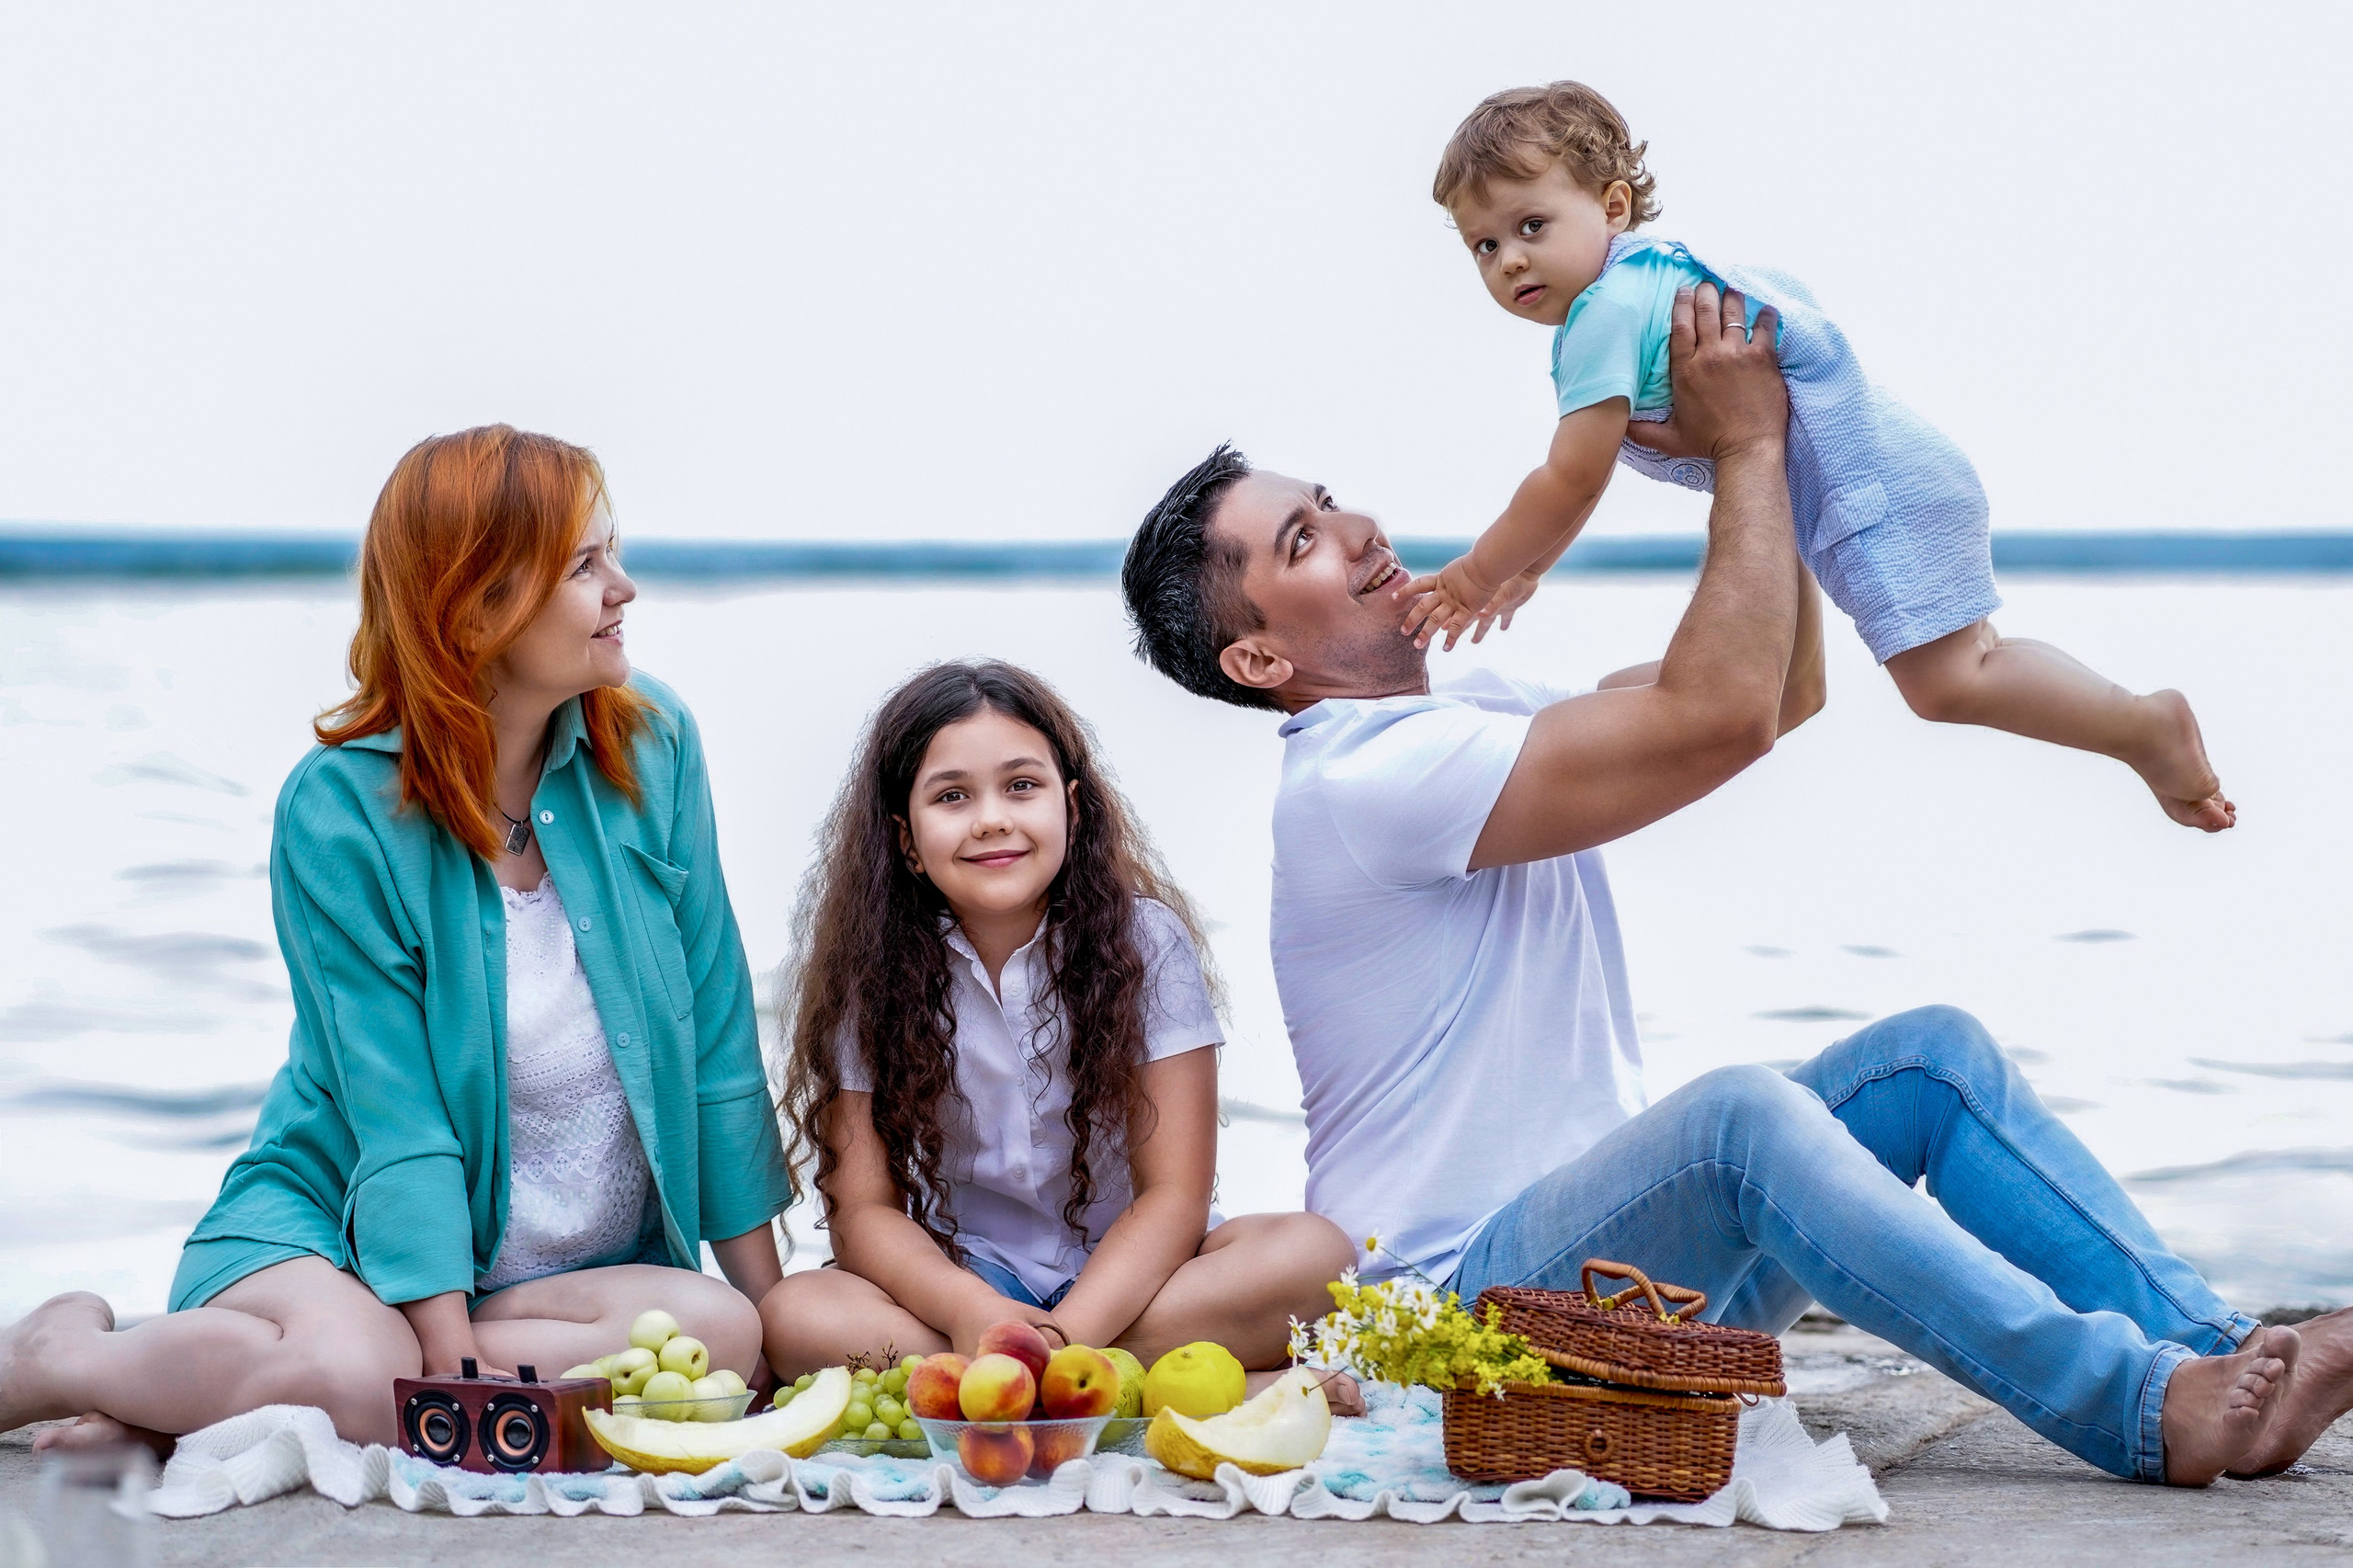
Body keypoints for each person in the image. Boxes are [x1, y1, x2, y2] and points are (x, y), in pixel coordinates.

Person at [1120, 282, 2351, 1484]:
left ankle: (2224, 1353)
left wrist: (1749, 462)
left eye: (1329, 505)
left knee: (1926, 1061)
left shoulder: (1460, 714)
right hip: (1469, 1315)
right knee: (1740, 1117)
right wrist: (1747, 442)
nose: (1359, 529)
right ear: (1259, 652)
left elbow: (1774, 693)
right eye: (1306, 542)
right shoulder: (1358, 781)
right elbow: (1717, 717)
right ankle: (2141, 1407)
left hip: (1629, 1283)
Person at [0, 426, 791, 1449]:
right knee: (362, 1371)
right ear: (479, 599)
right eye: (586, 564)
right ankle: (60, 1356)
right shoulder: (339, 809)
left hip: (556, 1282)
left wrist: (776, 1318)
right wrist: (452, 1370)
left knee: (720, 1331)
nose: (625, 587)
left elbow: (720, 1040)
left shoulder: (653, 743)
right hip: (332, 1239)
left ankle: (195, 1405)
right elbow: (397, 1115)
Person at [1401, 80, 2233, 834]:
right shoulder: (1649, 277)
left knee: (1948, 684)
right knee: (1963, 662)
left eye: (1530, 226)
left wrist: (1481, 574)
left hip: (1870, 495)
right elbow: (1577, 488)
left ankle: (2142, 726)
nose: (1509, 259)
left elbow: (1570, 477)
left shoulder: (1603, 319)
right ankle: (2138, 722)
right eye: (1483, 246)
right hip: (1892, 471)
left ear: (1612, 206)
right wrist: (1533, 566)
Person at [760, 660, 1356, 1394]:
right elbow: (863, 1212)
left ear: (1071, 808)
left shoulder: (1145, 942)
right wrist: (971, 1310)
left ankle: (1017, 1386)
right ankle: (1154, 1385)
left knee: (1318, 1255)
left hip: (1139, 1277)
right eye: (951, 796)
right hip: (968, 1284)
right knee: (796, 1315)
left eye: (1021, 786)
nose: (991, 818)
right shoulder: (869, 972)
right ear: (906, 839)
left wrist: (1057, 1339)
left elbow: (1175, 1195)